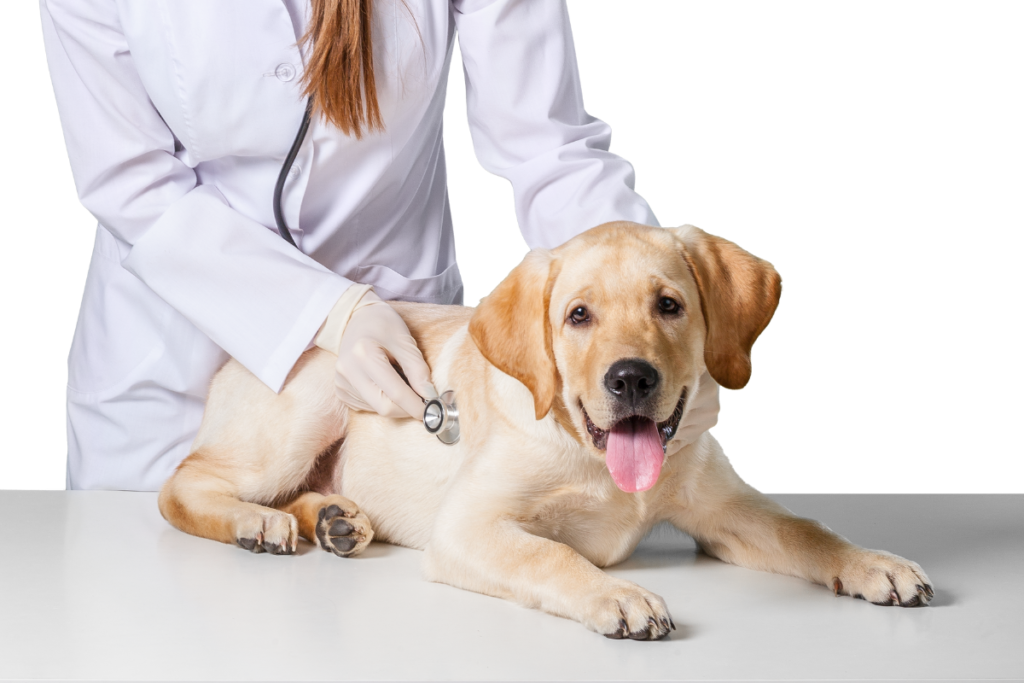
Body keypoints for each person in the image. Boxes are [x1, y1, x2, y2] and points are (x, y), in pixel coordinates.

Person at [42, 0, 719, 491]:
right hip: (165, 377)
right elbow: (130, 181)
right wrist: (332, 313)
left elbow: (547, 149)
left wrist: (650, 313)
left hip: (396, 390)